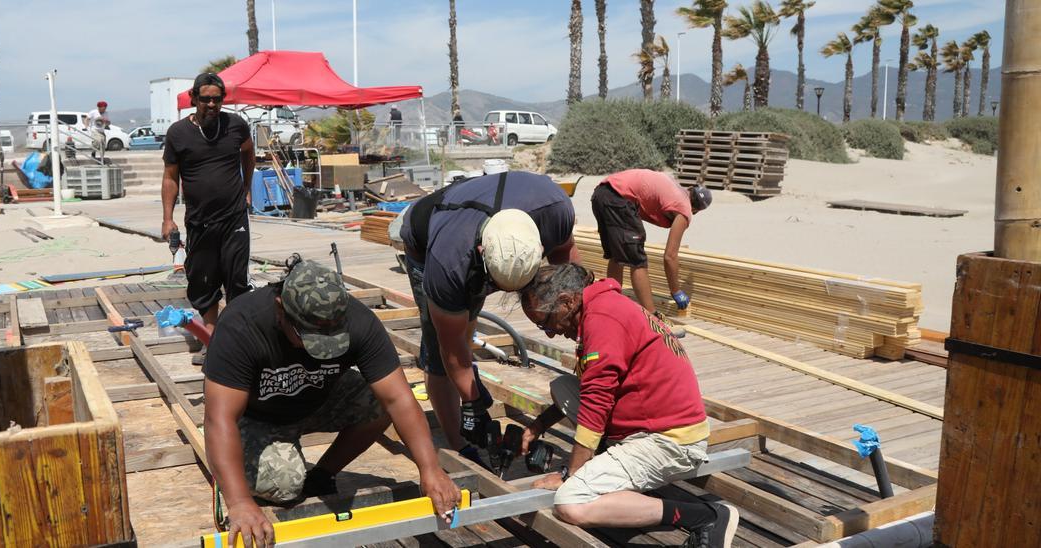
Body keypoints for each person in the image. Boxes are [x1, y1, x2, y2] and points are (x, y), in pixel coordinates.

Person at [204, 257, 462, 547]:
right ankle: (247, 468)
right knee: (286, 485)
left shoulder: (359, 321)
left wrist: (429, 468)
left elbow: (398, 398)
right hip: (259, 418)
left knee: (376, 404)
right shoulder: (243, 324)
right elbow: (219, 417)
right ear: (280, 309)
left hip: (316, 401)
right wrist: (238, 501)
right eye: (308, 337)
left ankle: (322, 474)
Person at [516, 263, 737, 548]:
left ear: (567, 301)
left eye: (546, 322)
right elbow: (592, 387)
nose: (549, 333)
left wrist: (570, 477)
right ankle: (608, 459)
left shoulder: (603, 319)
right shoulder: (601, 306)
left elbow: (597, 404)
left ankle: (704, 517)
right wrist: (537, 426)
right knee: (562, 387)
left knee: (571, 502)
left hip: (671, 440)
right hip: (652, 421)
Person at [399, 170, 578, 466]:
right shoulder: (448, 264)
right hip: (428, 235)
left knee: (465, 332)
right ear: (482, 253)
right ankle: (460, 445)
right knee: (439, 347)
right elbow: (451, 351)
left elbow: (569, 267)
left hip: (488, 219)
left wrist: (579, 322)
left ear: (540, 248)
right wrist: (473, 406)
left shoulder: (555, 212)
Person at [161, 73, 257, 338]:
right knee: (204, 281)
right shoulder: (178, 133)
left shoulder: (236, 125)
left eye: (217, 99)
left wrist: (247, 188)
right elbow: (170, 177)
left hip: (234, 217)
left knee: (236, 279)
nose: (212, 105)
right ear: (194, 98)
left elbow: (249, 153)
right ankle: (212, 341)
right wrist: (168, 218)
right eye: (205, 99)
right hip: (200, 220)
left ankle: (235, 342)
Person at [592, 169, 712, 314]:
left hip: (601, 194)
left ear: (690, 189)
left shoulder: (675, 188)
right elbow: (670, 256)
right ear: (696, 210)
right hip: (619, 199)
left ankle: (611, 306)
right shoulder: (684, 208)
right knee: (638, 261)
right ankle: (652, 318)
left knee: (617, 256)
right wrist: (676, 290)